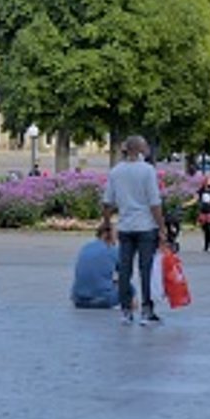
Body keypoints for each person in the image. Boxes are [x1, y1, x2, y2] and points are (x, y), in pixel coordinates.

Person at [101, 135, 168, 326]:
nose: (147, 148)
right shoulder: (147, 171)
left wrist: (107, 224)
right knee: (145, 269)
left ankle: (126, 310)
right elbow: (155, 203)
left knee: (125, 269)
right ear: (138, 149)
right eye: (145, 145)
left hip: (126, 226)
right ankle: (147, 311)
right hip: (146, 226)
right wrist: (162, 227)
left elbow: (107, 202)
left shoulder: (116, 171)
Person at [70, 223, 120, 309]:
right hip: (102, 300)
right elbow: (125, 276)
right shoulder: (113, 250)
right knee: (126, 288)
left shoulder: (85, 247)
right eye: (116, 233)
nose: (117, 237)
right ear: (105, 234)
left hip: (78, 300)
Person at [194, 174, 210, 253]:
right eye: (207, 181)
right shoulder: (200, 191)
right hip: (203, 212)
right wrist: (185, 204)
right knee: (205, 229)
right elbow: (195, 199)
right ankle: (206, 245)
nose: (209, 182)